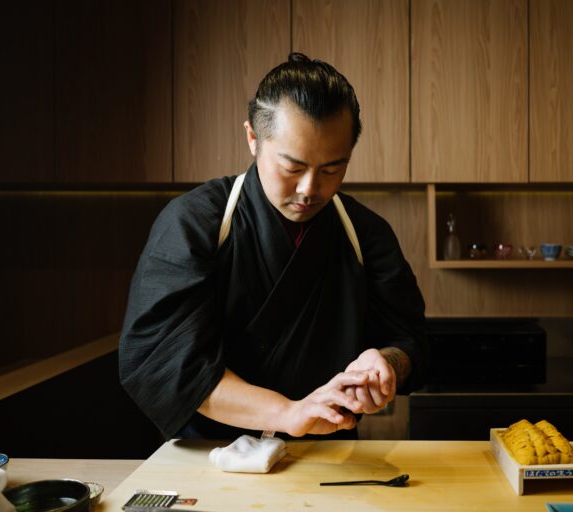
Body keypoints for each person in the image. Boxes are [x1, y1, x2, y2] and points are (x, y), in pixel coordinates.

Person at [118, 53, 428, 441]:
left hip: (328, 458)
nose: (310, 189)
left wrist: (384, 363)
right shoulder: (194, 224)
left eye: (332, 169)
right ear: (253, 138)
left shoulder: (365, 234)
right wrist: (287, 413)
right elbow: (164, 362)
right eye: (292, 167)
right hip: (208, 456)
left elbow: (412, 342)